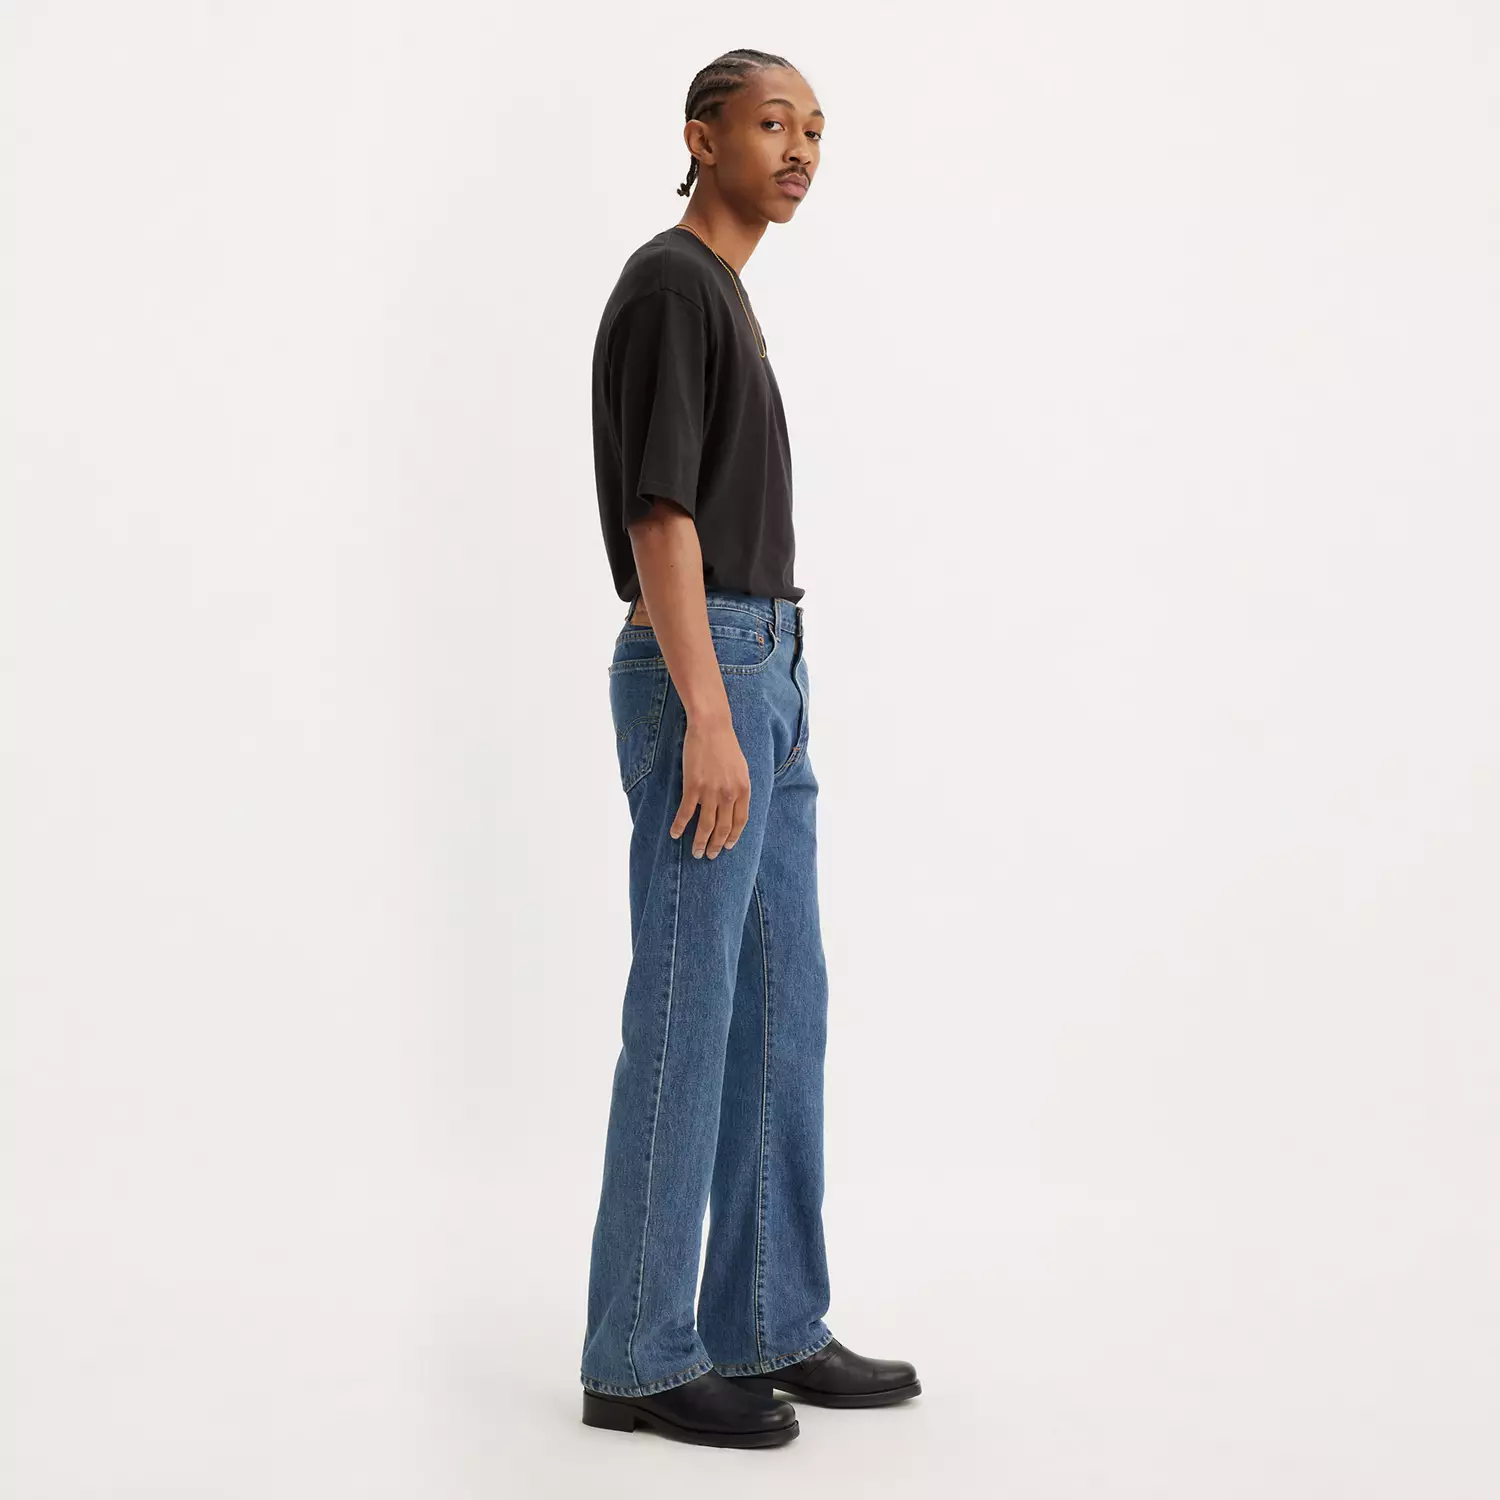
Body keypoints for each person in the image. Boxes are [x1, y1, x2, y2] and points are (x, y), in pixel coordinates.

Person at [579, 49, 920, 1449]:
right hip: (708, 668)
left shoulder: (724, 295)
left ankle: (767, 1316)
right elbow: (661, 516)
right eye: (773, 122)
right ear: (701, 136)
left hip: (769, 663)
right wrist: (711, 709)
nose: (800, 149)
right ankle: (638, 1354)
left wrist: (754, 691)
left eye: (816, 129)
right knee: (687, 1006)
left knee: (782, 1003)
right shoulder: (672, 283)